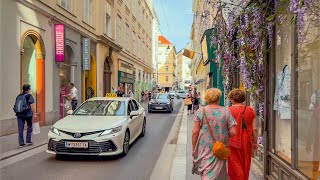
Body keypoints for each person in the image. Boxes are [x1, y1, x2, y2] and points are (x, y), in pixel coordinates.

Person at [192, 88, 237, 179]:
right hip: (220, 146)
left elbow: (195, 132)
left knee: (207, 170)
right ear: (218, 98)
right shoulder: (226, 111)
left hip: (204, 147)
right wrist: (223, 134)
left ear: (207, 98)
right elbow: (233, 132)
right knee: (219, 172)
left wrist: (194, 148)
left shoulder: (201, 111)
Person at [227, 89, 258, 180]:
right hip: (247, 140)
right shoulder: (250, 110)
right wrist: (255, 143)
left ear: (232, 99)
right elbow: (255, 129)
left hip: (233, 139)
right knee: (246, 163)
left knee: (234, 164)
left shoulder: (229, 110)